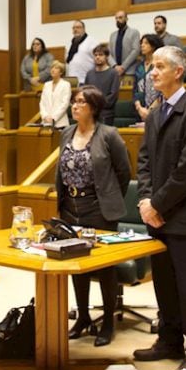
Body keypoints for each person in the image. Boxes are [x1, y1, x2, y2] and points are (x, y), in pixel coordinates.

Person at [133, 46, 186, 370]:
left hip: (184, 217)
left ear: (178, 71)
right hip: (158, 216)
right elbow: (144, 162)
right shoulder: (155, 114)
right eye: (152, 67)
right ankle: (169, 339)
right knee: (163, 283)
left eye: (160, 66)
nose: (153, 73)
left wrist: (156, 203)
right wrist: (144, 200)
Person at [56, 85, 131, 347]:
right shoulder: (66, 133)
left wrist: (108, 199)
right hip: (70, 207)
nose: (74, 106)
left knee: (104, 267)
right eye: (73, 102)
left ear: (94, 108)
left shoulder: (109, 135)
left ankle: (108, 321)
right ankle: (83, 316)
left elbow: (124, 173)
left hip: (98, 209)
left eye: (80, 102)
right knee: (77, 266)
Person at [83, 43, 120, 125]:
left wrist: (97, 105)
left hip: (106, 115)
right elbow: (86, 93)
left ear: (106, 57)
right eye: (95, 55)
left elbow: (113, 95)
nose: (97, 57)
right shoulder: (89, 74)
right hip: (90, 114)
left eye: (101, 55)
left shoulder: (113, 73)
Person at [133, 34, 164, 123]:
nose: (142, 45)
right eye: (141, 43)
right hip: (140, 110)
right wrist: (139, 108)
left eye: (146, 43)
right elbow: (135, 89)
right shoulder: (139, 66)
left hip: (158, 108)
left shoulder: (159, 65)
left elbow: (163, 90)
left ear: (153, 45)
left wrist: (150, 110)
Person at [38, 60, 71, 129]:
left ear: (61, 72)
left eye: (56, 68)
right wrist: (45, 116)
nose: (53, 70)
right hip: (46, 122)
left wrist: (53, 118)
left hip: (60, 123)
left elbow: (65, 104)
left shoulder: (66, 85)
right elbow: (42, 103)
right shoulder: (47, 85)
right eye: (52, 68)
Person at [109, 10, 140, 77]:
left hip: (130, 71)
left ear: (126, 18)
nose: (118, 20)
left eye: (120, 17)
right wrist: (115, 66)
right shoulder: (112, 35)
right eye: (116, 18)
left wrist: (123, 67)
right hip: (115, 71)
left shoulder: (134, 32)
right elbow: (108, 53)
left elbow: (136, 51)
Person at [65, 20, 97, 84]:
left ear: (84, 29)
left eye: (78, 27)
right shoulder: (71, 43)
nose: (75, 29)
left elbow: (98, 60)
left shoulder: (91, 42)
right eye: (73, 28)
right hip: (72, 80)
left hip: (86, 80)